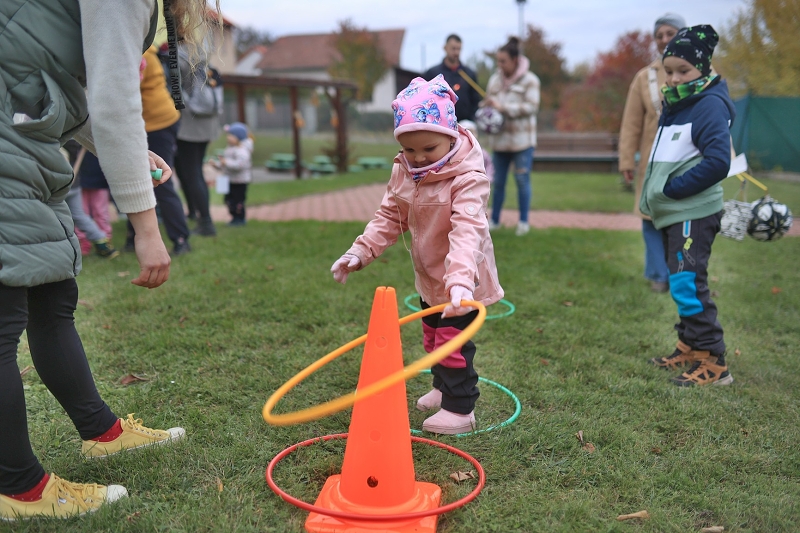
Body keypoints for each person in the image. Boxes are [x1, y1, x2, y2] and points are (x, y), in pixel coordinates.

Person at [0, 0, 216, 520]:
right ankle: (17, 487)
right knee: (4, 318)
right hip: (11, 145)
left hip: (26, 143)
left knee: (52, 296)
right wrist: (146, 226)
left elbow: (55, 83)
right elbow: (114, 98)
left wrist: (129, 156)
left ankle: (101, 432)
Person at [330, 75, 504, 435]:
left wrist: (459, 283)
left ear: (451, 136)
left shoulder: (468, 178)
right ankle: (442, 389)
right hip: (429, 279)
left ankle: (461, 410)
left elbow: (467, 233)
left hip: (463, 281)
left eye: (428, 149)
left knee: (451, 344)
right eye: (410, 150)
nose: (418, 158)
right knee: (431, 337)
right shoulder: (404, 171)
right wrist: (359, 251)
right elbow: (389, 216)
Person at [640, 25, 735, 387]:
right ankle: (690, 347)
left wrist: (674, 191)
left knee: (688, 283)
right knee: (682, 281)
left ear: (703, 69)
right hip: (674, 215)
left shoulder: (708, 104)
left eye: (684, 71)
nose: (675, 77)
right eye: (669, 71)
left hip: (692, 214)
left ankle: (713, 360)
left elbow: (717, 162)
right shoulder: (675, 104)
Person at [619, 13, 686, 293]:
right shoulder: (644, 77)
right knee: (651, 218)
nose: (664, 39)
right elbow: (631, 122)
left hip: (687, 160)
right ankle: (658, 275)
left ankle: (684, 276)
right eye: (659, 35)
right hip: (652, 160)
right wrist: (627, 159)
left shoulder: (701, 71)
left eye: (670, 33)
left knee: (684, 220)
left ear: (682, 35)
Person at [126, 44, 192, 255]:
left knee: (159, 180)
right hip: (141, 124)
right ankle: (132, 237)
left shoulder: (139, 51)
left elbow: (125, 87)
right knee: (133, 180)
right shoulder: (136, 47)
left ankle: (181, 239)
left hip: (157, 125)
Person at [482, 37, 540, 236]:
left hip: (522, 142)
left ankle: (523, 222)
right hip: (500, 142)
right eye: (497, 61)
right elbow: (491, 104)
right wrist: (487, 107)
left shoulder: (530, 80)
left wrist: (503, 107)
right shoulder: (495, 80)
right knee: (498, 182)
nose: (499, 65)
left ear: (515, 60)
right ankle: (495, 220)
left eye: (503, 61)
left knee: (522, 180)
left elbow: (532, 107)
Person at [174, 42, 223, 237]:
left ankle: (206, 222)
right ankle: (196, 214)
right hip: (206, 127)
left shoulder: (179, 60)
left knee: (192, 173)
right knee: (192, 172)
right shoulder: (206, 63)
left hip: (188, 128)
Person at [423, 34, 482, 121]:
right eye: (453, 48)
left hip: (465, 124)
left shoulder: (469, 74)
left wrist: (471, 119)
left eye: (459, 49)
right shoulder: (432, 73)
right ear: (445, 48)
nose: (456, 52)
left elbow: (475, 101)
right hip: (440, 124)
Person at [217, 122, 253, 226]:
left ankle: (240, 219)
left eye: (231, 135)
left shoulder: (242, 151)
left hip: (239, 181)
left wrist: (226, 162)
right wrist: (218, 164)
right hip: (229, 180)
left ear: (238, 137)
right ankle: (234, 217)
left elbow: (240, 165)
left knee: (238, 201)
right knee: (228, 200)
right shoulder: (229, 148)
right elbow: (226, 164)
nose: (228, 138)